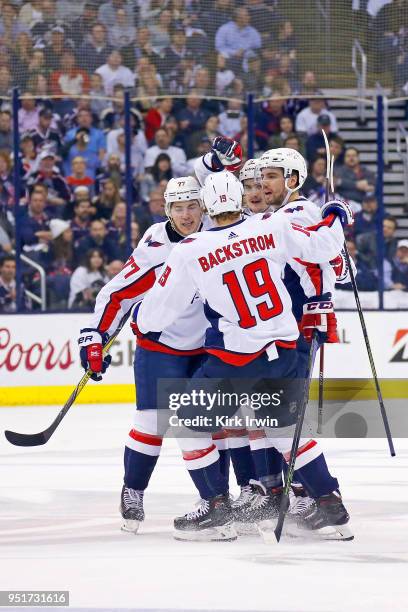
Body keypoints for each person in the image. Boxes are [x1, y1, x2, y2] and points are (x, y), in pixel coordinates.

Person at [135, 169, 353, 542]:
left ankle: (216, 508)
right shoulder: (272, 226)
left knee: (188, 424)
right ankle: (330, 502)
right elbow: (324, 247)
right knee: (284, 432)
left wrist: (142, 320)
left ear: (205, 207)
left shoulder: (191, 249)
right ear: (238, 200)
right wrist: (334, 214)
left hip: (235, 358)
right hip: (283, 350)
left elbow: (155, 315)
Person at [77, 176, 208, 534]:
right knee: (152, 422)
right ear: (167, 210)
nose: (186, 215)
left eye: (193, 206)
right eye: (178, 208)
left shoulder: (218, 232)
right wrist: (95, 336)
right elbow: (118, 293)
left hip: (209, 346)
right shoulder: (157, 247)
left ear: (204, 207)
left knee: (210, 426)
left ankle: (214, 500)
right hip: (161, 345)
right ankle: (133, 490)